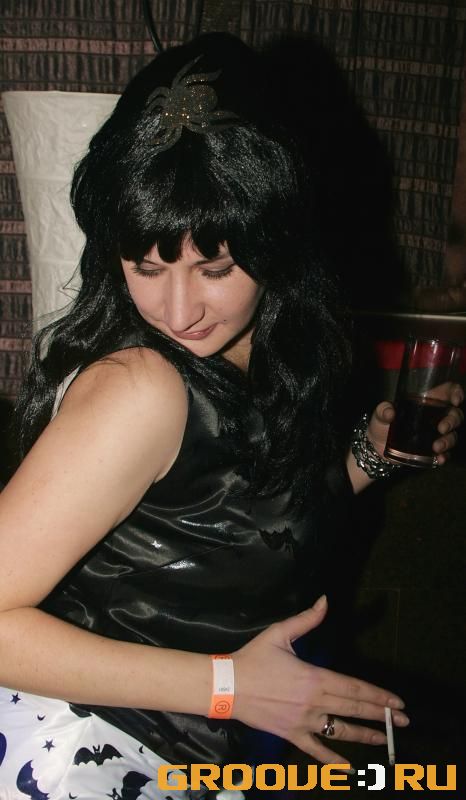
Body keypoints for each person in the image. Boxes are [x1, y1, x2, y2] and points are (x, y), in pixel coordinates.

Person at [0, 32, 463, 800]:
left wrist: (368, 458)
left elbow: (233, 521)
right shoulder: (141, 388)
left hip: (196, 751)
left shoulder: (271, 364)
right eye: (146, 265)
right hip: (77, 748)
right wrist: (231, 688)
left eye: (214, 267)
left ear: (277, 239)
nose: (179, 309)